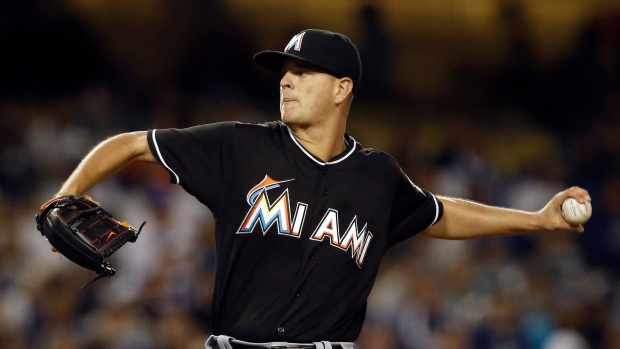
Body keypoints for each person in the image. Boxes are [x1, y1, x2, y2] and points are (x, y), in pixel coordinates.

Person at [48, 29, 591, 349]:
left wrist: (538, 219)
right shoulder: (240, 148)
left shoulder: (377, 176)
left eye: (304, 72)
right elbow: (131, 144)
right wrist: (63, 196)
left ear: (342, 88)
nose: (286, 80)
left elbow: (439, 214)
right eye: (285, 71)